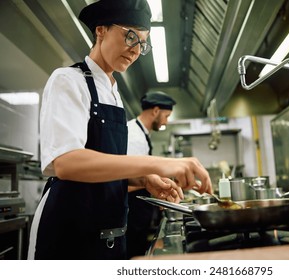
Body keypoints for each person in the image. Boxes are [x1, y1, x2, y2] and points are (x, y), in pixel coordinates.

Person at [27, 0, 212, 260]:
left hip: (108, 236)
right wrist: (158, 164)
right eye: (131, 36)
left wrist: (144, 179)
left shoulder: (114, 94)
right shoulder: (68, 80)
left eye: (143, 43)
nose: (136, 50)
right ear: (100, 30)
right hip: (68, 235)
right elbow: (66, 163)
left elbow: (102, 172)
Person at [126, 91, 176, 258]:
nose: (166, 121)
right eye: (166, 116)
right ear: (155, 111)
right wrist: (152, 185)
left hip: (139, 211)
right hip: (131, 211)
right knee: (133, 253)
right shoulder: (134, 137)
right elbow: (124, 181)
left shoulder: (142, 133)